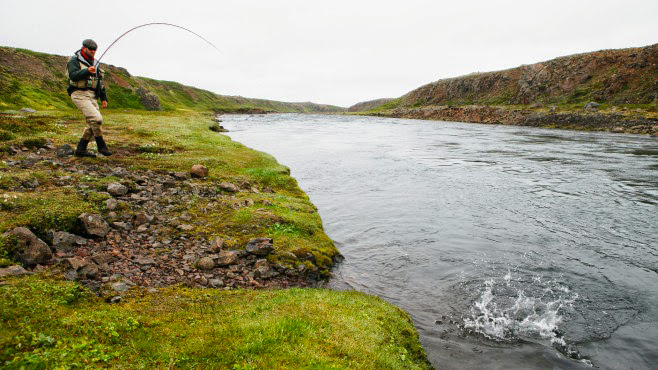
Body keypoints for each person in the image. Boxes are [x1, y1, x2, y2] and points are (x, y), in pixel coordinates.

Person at [67, 39, 112, 157]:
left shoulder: (95, 63)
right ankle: (101, 145)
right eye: (90, 49)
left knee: (92, 123)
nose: (93, 51)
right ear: (84, 48)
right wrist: (86, 71)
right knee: (97, 119)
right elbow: (72, 76)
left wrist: (104, 98)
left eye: (94, 50)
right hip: (79, 94)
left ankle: (81, 150)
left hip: (92, 95)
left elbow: (99, 82)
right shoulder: (74, 60)